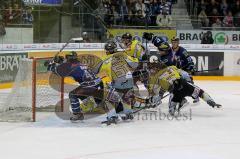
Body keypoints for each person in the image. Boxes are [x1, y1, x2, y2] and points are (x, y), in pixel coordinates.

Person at [45, 51, 122, 123]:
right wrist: (60, 60)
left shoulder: (69, 66)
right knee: (100, 100)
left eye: (66, 58)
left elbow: (58, 71)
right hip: (98, 83)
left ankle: (78, 114)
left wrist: (50, 65)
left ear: (68, 59)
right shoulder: (81, 64)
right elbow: (67, 65)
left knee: (72, 94)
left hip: (89, 86)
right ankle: (112, 116)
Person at [147, 58, 222, 116]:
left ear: (156, 69)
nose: (152, 71)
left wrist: (150, 101)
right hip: (185, 85)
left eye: (152, 69)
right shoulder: (172, 67)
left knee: (172, 112)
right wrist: (212, 102)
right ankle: (183, 102)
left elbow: (153, 93)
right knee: (199, 92)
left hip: (175, 92)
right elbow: (186, 75)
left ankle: (182, 102)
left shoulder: (154, 78)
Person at [171, 36, 199, 103]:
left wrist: (192, 68)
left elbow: (190, 61)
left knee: (189, 83)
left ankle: (196, 95)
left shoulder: (183, 51)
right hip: (173, 70)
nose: (174, 43)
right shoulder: (169, 51)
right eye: (172, 42)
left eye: (175, 42)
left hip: (184, 70)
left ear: (178, 43)